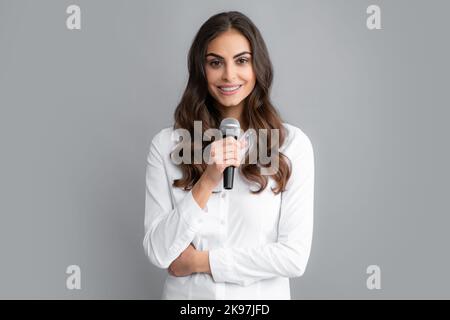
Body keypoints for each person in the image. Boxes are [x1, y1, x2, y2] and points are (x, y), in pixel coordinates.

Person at [143, 11, 315, 300]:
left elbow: (293, 257)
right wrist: (208, 180)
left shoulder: (290, 145)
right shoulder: (167, 145)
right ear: (201, 69)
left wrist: (200, 262)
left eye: (242, 61)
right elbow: (160, 253)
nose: (229, 75)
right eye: (215, 63)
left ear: (257, 66)